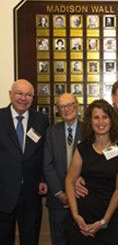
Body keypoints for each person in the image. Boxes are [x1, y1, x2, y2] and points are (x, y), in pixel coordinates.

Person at [65, 99, 118, 245]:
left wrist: (104, 221)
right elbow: (70, 181)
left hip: (111, 220)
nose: (100, 121)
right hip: (82, 219)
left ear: (111, 120)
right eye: (96, 117)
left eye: (104, 117)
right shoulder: (82, 148)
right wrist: (75, 215)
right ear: (90, 121)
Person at [0, 79, 49, 245]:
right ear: (10, 95)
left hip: (31, 194)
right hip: (3, 194)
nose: (23, 98)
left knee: (30, 240)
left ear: (33, 98)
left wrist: (43, 179)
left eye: (28, 95)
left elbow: (44, 153)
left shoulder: (41, 120)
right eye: (19, 93)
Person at [43, 93, 82, 245]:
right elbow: (47, 164)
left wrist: (74, 192)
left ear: (77, 106)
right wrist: (60, 193)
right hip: (57, 201)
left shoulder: (88, 130)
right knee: (58, 239)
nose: (66, 109)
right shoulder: (51, 132)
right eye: (62, 106)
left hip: (81, 197)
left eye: (70, 105)